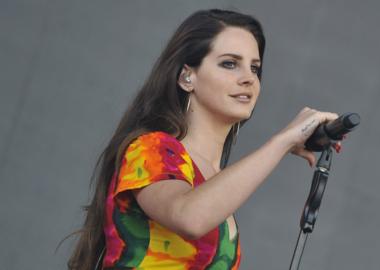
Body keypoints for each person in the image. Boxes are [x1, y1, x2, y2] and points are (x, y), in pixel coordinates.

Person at [68, 8, 339, 270]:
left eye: (255, 68)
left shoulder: (215, 179)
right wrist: (284, 141)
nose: (248, 79)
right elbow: (189, 216)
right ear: (188, 76)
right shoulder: (151, 150)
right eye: (230, 64)